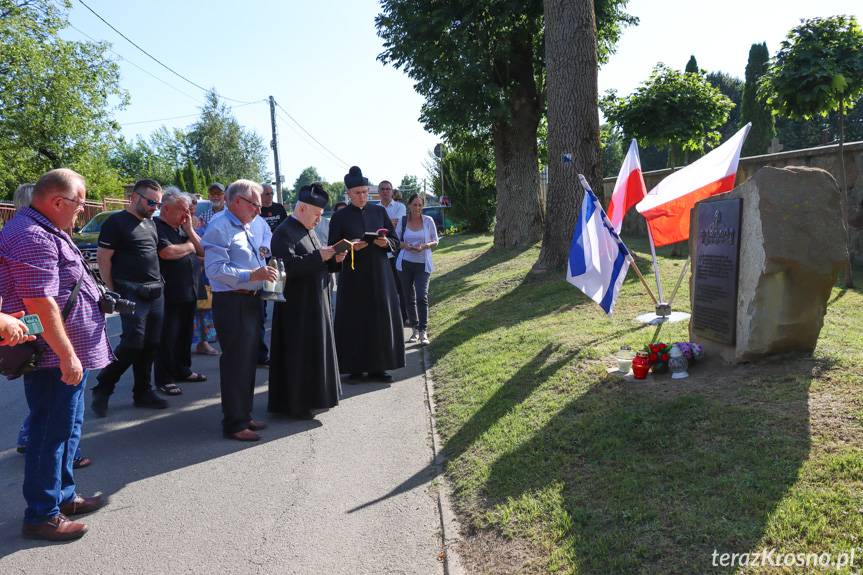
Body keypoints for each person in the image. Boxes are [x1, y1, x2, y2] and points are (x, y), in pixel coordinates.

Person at [0, 168, 111, 541]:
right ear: (57, 202)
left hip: (63, 353)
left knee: (65, 428)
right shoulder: (32, 235)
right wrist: (67, 355)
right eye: (79, 205)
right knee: (50, 432)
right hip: (51, 357)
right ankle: (42, 514)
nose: (81, 213)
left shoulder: (45, 229)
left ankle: (63, 497)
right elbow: (40, 302)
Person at [202, 180, 278, 441]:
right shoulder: (219, 227)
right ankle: (234, 424)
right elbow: (214, 270)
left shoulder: (247, 224)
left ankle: (243, 415)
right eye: (254, 204)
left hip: (251, 300)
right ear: (236, 202)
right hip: (232, 302)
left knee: (248, 363)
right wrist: (252, 274)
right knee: (236, 363)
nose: (258, 210)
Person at [91, 179, 168, 416]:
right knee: (133, 343)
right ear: (134, 198)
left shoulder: (151, 224)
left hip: (156, 291)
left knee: (151, 344)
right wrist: (112, 291)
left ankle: (143, 392)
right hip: (131, 292)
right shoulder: (116, 222)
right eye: (151, 201)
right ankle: (104, 386)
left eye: (158, 202)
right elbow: (103, 259)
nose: (155, 206)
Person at [268, 184, 346, 418]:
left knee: (316, 352)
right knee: (299, 354)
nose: (318, 221)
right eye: (317, 215)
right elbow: (286, 269)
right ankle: (297, 404)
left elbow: (317, 261)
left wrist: (335, 259)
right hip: (297, 308)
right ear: (302, 209)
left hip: (316, 301)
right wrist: (319, 256)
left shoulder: (307, 229)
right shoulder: (283, 232)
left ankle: (316, 397)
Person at [327, 166, 405, 382]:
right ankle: (355, 368)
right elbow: (332, 248)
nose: (362, 197)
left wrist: (384, 242)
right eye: (357, 193)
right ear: (349, 194)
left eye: (364, 192)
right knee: (355, 321)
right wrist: (350, 247)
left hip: (380, 275)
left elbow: (395, 241)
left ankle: (379, 367)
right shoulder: (340, 217)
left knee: (379, 320)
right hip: (353, 277)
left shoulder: (379, 212)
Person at [153, 188, 207, 395]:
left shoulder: (183, 229)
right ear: (166, 209)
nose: (187, 215)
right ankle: (164, 378)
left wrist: (191, 232)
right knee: (168, 337)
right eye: (182, 211)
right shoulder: (157, 226)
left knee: (185, 334)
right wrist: (190, 247)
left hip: (190, 290)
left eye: (188, 211)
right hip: (169, 293)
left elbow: (204, 250)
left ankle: (183, 369)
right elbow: (167, 252)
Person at [395, 193, 439, 345]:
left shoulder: (428, 221)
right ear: (409, 205)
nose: (417, 207)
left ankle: (423, 331)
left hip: (423, 264)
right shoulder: (403, 220)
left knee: (422, 296)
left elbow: (435, 241)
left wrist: (425, 246)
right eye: (415, 204)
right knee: (408, 297)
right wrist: (406, 246)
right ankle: (414, 329)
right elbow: (396, 241)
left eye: (420, 205)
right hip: (405, 264)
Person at [378, 180, 408, 323]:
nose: (385, 191)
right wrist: (390, 223)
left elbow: (397, 223)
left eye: (388, 189)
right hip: (381, 253)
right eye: (382, 189)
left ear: (392, 191)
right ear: (379, 192)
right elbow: (390, 225)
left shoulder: (400, 206)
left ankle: (405, 316)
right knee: (385, 288)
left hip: (397, 251)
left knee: (401, 287)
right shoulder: (374, 210)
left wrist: (384, 225)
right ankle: (387, 318)